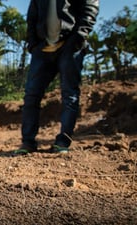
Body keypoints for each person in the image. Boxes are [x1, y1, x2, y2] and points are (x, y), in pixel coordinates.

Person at [14, 0, 99, 155]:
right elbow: (32, 16)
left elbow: (90, 8)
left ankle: (62, 142)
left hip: (69, 47)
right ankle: (28, 142)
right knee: (31, 96)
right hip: (42, 49)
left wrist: (77, 38)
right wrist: (33, 44)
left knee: (69, 95)